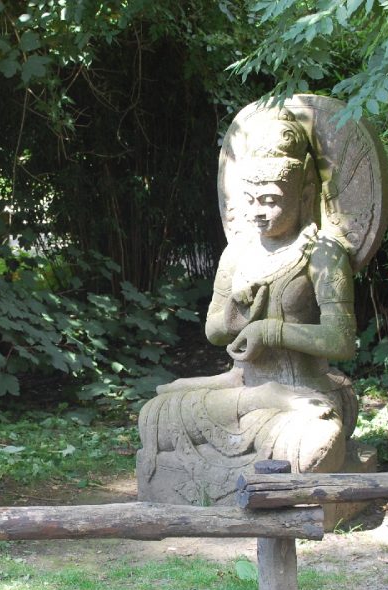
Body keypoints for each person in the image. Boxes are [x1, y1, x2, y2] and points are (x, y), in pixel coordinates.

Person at [137, 107, 358, 505]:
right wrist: (237, 314)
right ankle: (260, 404)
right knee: (155, 414)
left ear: (305, 194)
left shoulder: (322, 253)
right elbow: (214, 332)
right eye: (251, 199)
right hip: (242, 389)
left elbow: (342, 340)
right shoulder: (237, 252)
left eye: (271, 200)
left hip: (303, 394)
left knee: (315, 444)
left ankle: (268, 419)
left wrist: (270, 330)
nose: (258, 210)